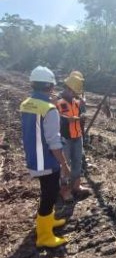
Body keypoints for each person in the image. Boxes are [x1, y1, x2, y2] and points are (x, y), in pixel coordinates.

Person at [20, 66, 70, 248]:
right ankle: (44, 237)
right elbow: (54, 141)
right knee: (49, 195)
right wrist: (64, 164)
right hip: (47, 160)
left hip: (33, 157)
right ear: (49, 86)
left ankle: (48, 221)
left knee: (46, 192)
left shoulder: (26, 103)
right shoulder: (49, 109)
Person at [56, 72, 90, 202]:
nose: (76, 95)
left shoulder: (76, 102)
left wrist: (82, 110)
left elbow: (80, 116)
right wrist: (70, 119)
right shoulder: (59, 101)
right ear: (69, 89)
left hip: (77, 136)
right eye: (75, 92)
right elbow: (61, 119)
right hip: (66, 138)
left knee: (77, 162)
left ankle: (76, 186)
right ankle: (64, 190)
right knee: (65, 164)